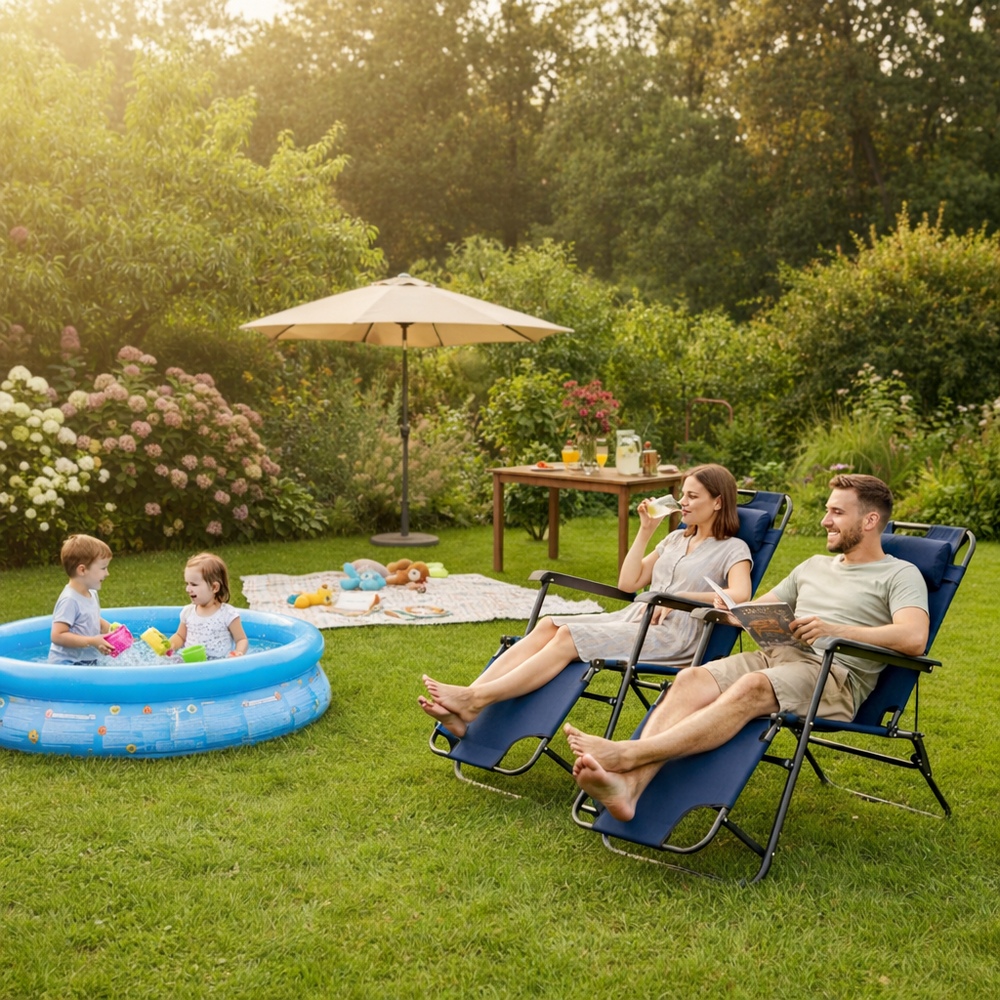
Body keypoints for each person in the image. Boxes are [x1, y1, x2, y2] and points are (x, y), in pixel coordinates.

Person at [564, 473, 930, 822]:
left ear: (869, 520)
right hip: (778, 655)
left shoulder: (899, 574)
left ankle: (625, 754)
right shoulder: (813, 565)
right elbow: (756, 608)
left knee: (753, 687)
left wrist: (834, 630)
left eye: (836, 512)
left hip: (833, 677)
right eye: (826, 510)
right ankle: (628, 788)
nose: (824, 521)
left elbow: (913, 638)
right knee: (691, 679)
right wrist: (732, 610)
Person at [419, 464, 754, 738]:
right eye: (682, 494)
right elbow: (629, 582)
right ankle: (463, 705)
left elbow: (740, 595)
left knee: (566, 636)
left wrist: (677, 598)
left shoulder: (733, 549)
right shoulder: (674, 539)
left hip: (675, 636)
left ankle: (475, 701)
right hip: (634, 618)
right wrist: (645, 530)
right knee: (550, 624)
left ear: (718, 502)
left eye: (692, 496)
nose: (683, 502)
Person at [49, 534, 115, 664]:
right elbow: (57, 635)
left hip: (87, 660)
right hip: (66, 664)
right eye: (103, 568)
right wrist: (92, 641)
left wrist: (111, 631)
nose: (107, 573)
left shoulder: (91, 592)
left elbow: (91, 619)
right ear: (82, 570)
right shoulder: (70, 600)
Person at [168, 552, 248, 659]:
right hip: (190, 663)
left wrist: (238, 653)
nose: (188, 589)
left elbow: (241, 639)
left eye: (194, 584)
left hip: (218, 664)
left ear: (214, 587)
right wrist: (170, 646)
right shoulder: (188, 612)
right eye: (187, 584)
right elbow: (180, 636)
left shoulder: (227, 614)